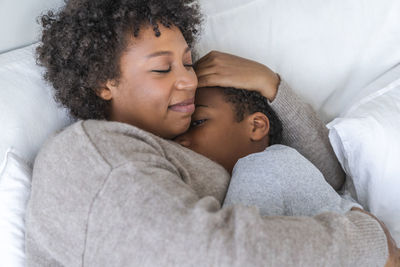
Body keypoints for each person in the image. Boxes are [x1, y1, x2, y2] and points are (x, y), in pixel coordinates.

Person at [25, 0, 399, 266]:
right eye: (162, 69)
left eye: (188, 62)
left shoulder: (186, 139)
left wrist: (268, 85)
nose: (189, 79)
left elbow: (325, 176)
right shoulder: (92, 154)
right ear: (102, 82)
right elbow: (213, 255)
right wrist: (369, 242)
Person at [174, 86, 361, 216]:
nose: (179, 141)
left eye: (197, 122)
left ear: (256, 126)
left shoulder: (261, 167)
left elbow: (239, 249)